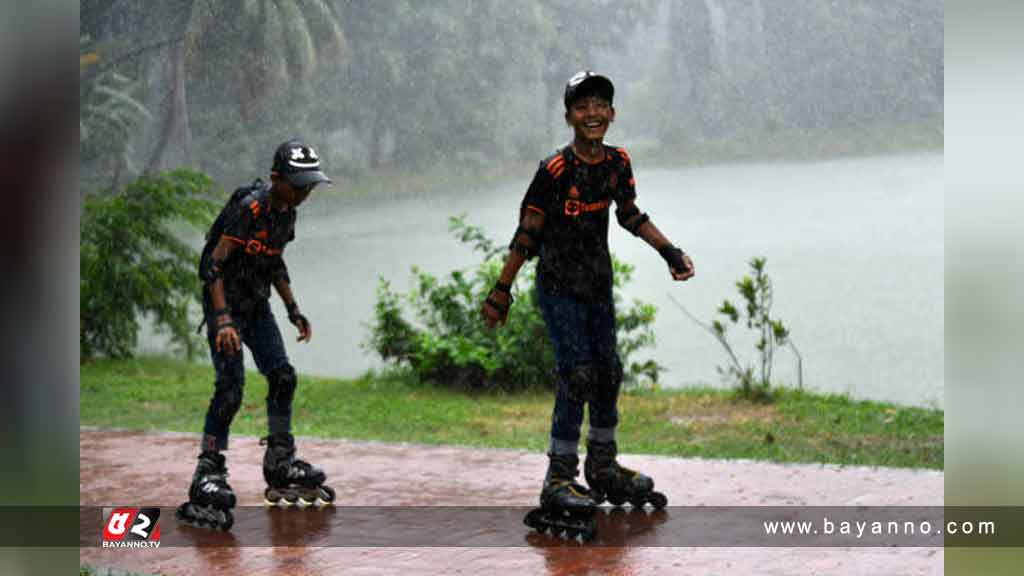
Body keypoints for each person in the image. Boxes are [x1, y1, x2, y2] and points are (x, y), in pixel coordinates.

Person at [482, 71, 695, 536]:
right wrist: (502, 290)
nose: (592, 114)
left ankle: (602, 466)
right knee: (576, 373)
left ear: (612, 113)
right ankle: (558, 477)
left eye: (601, 105)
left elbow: (630, 214)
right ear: (569, 117)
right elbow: (527, 233)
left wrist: (670, 252)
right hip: (559, 287)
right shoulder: (555, 171)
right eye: (582, 107)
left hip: (597, 285)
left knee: (608, 371)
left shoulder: (617, 162)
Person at [176, 139, 336, 530]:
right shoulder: (248, 208)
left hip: (257, 304)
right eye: (298, 185)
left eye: (309, 186)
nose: (304, 193)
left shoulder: (287, 214)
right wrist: (223, 321)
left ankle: (280, 460)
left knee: (283, 375)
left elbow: (274, 260)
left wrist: (293, 309)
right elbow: (211, 266)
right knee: (230, 388)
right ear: (276, 179)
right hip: (225, 307)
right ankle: (208, 471)